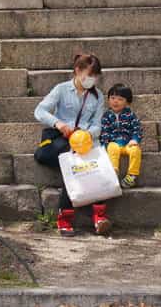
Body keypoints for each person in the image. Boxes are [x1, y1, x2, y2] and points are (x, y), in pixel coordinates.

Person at [34, 52, 109, 236]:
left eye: (95, 76)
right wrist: (58, 123)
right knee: (73, 162)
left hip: (85, 142)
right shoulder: (61, 89)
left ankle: (66, 218)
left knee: (80, 162)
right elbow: (40, 110)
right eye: (89, 75)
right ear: (77, 71)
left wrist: (86, 134)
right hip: (61, 140)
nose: (92, 80)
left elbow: (98, 125)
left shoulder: (98, 96)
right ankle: (98, 215)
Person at [100, 83, 143, 188]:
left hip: (128, 143)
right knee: (111, 148)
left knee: (136, 150)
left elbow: (137, 129)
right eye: (112, 98)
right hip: (114, 143)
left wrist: (135, 140)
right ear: (108, 100)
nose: (115, 101)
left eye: (120, 99)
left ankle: (132, 175)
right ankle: (114, 171)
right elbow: (105, 131)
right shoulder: (106, 116)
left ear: (127, 102)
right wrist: (104, 145)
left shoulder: (130, 115)